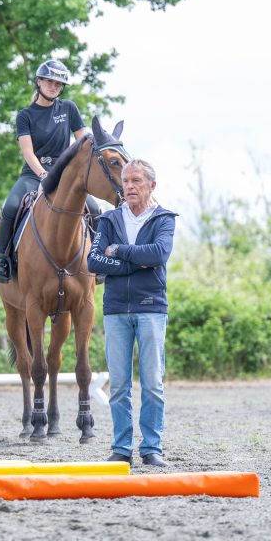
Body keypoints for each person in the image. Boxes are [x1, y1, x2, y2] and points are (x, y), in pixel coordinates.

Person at [86, 159, 177, 467]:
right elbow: (94, 261)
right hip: (115, 311)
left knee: (152, 383)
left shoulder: (164, 218)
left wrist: (121, 252)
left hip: (151, 307)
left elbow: (158, 254)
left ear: (151, 185)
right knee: (120, 385)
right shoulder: (109, 220)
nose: (129, 186)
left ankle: (152, 447)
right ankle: (121, 448)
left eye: (136, 181)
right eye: (125, 181)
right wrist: (134, 264)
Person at [0, 58, 100, 283]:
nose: (54, 87)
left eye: (58, 85)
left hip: (63, 174)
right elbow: (28, 152)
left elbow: (83, 142)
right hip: (33, 173)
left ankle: (98, 257)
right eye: (49, 82)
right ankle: (2, 258)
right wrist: (42, 174)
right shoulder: (25, 115)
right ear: (38, 82)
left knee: (95, 209)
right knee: (10, 206)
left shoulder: (68, 108)